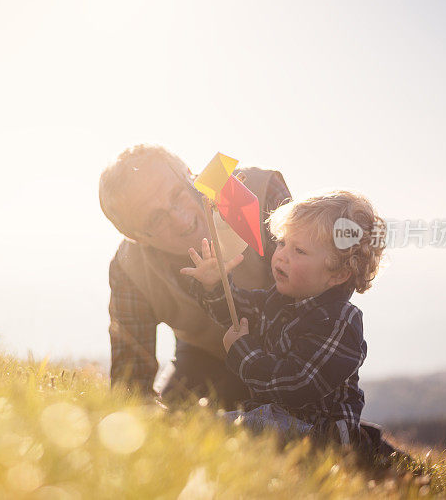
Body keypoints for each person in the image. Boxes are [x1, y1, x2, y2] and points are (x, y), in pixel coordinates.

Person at [180, 190, 387, 448]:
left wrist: (242, 353)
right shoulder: (277, 301)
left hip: (319, 433)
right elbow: (236, 310)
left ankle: (363, 447)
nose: (281, 255)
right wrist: (214, 286)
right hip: (276, 417)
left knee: (215, 428)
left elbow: (297, 385)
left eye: (299, 250)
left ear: (338, 273)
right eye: (281, 242)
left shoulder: (340, 321)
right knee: (222, 425)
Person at [98, 144, 291, 408]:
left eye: (178, 195)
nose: (181, 219)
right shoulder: (130, 267)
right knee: (174, 419)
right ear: (137, 237)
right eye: (156, 219)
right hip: (204, 357)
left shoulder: (259, 190)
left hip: (290, 350)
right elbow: (131, 380)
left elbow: (318, 292)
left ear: (190, 173)